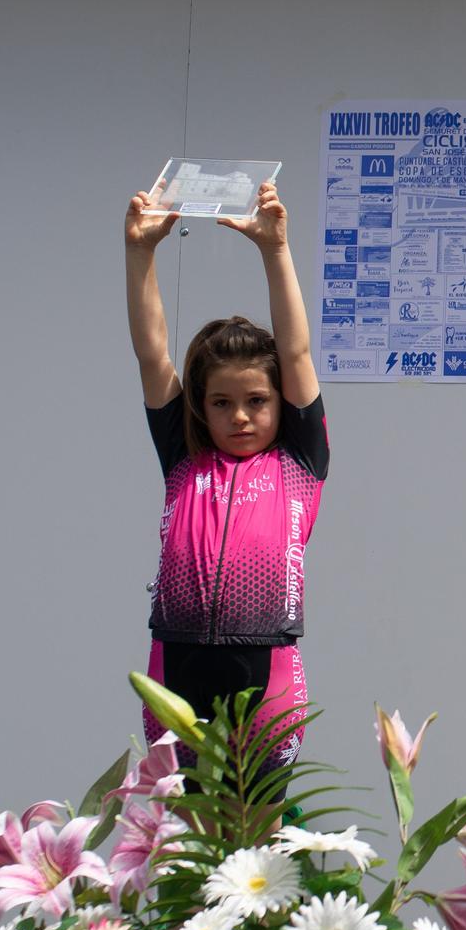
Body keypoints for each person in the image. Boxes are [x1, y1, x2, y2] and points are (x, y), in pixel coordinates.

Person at [123, 181, 328, 777]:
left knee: (255, 837)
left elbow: (295, 355)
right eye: (220, 403)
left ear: (280, 404)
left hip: (265, 663)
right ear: (200, 408)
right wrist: (140, 253)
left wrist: (275, 248)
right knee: (187, 843)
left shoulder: (300, 460)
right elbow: (152, 357)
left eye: (256, 401)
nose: (239, 416)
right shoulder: (182, 455)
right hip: (176, 660)